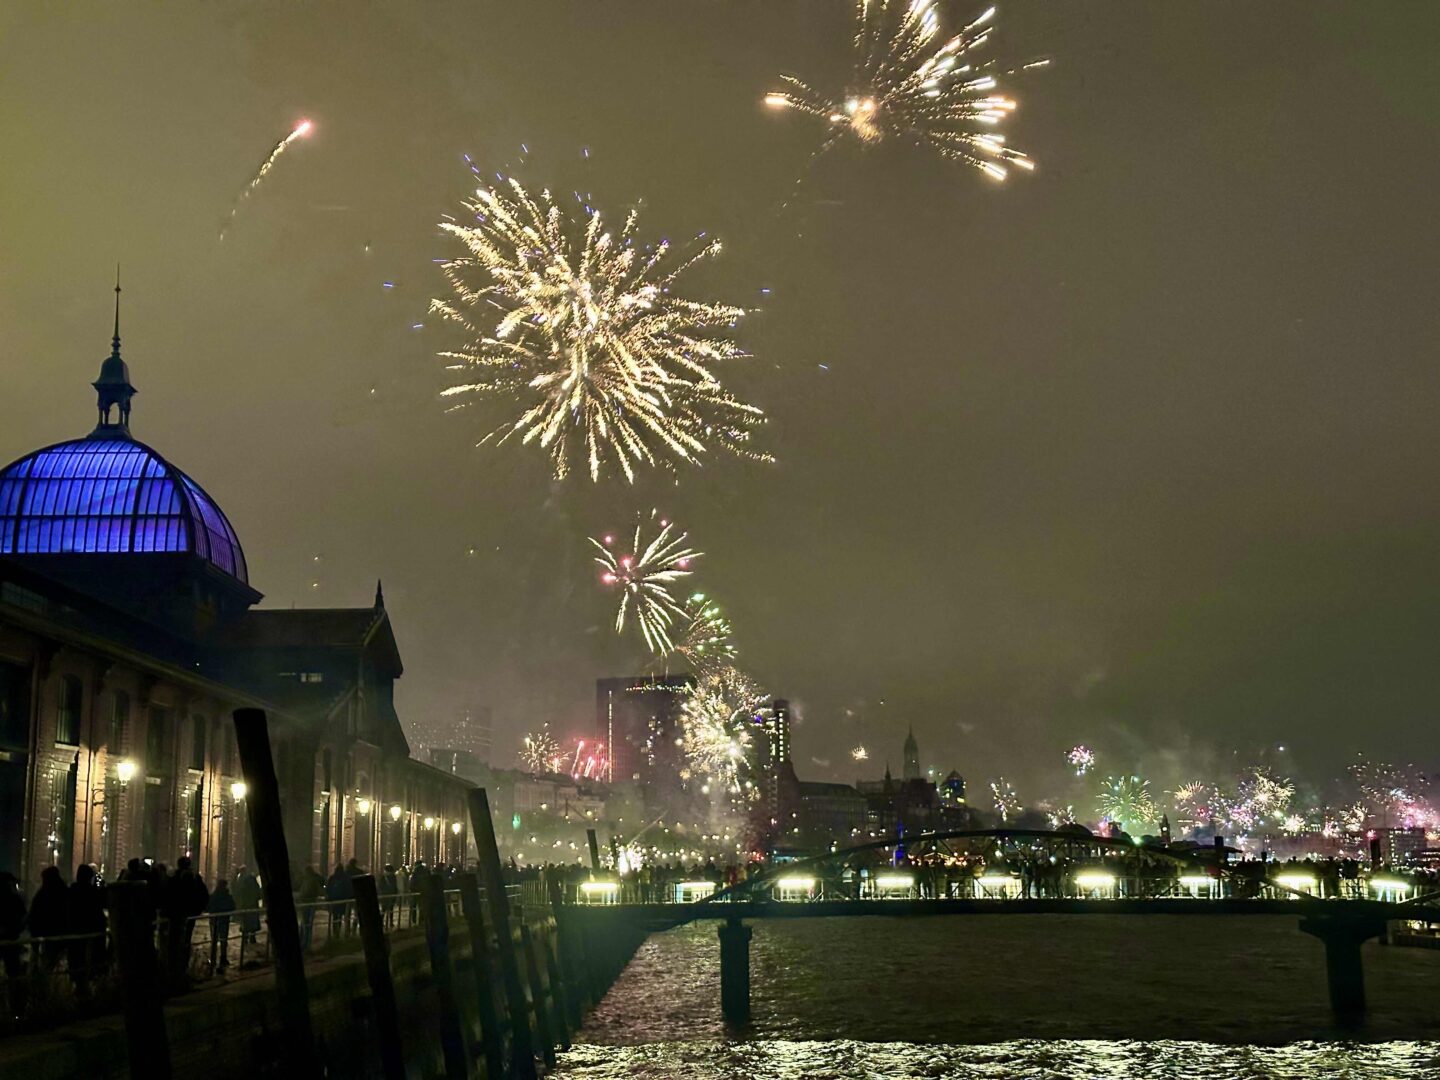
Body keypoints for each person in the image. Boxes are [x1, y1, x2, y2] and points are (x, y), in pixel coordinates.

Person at [67, 865, 107, 995]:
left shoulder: (72, 890)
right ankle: (86, 987)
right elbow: (102, 902)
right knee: (88, 960)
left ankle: (78, 985)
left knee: (77, 959)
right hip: (90, 931)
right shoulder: (92, 892)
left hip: (75, 930)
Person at [27, 867, 69, 972]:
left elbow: (34, 915)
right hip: (61, 933)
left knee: (48, 963)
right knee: (56, 963)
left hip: (48, 934)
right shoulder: (64, 891)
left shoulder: (43, 894)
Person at [207, 879, 235, 971]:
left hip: (215, 920)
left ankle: (214, 958)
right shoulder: (227, 896)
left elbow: (208, 907)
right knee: (223, 940)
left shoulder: (214, 895)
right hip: (223, 920)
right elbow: (232, 906)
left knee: (215, 940)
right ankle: (222, 958)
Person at [231, 868, 262, 953]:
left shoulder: (242, 882)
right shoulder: (252, 881)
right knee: (252, 923)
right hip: (252, 906)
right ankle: (252, 938)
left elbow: (238, 893)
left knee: (245, 922)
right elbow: (258, 893)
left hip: (245, 906)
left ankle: (245, 938)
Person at [297, 866, 323, 949]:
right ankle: (303, 941)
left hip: (308, 904)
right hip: (306, 904)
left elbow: (308, 891)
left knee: (307, 924)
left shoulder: (310, 880)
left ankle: (305, 943)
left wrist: (302, 897)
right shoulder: (308, 880)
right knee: (305, 924)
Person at [324, 863, 352, 940]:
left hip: (334, 900)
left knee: (335, 916)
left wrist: (328, 898)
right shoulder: (346, 877)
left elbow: (328, 889)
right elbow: (349, 889)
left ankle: (335, 932)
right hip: (342, 900)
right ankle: (341, 931)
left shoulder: (332, 877)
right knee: (342, 916)